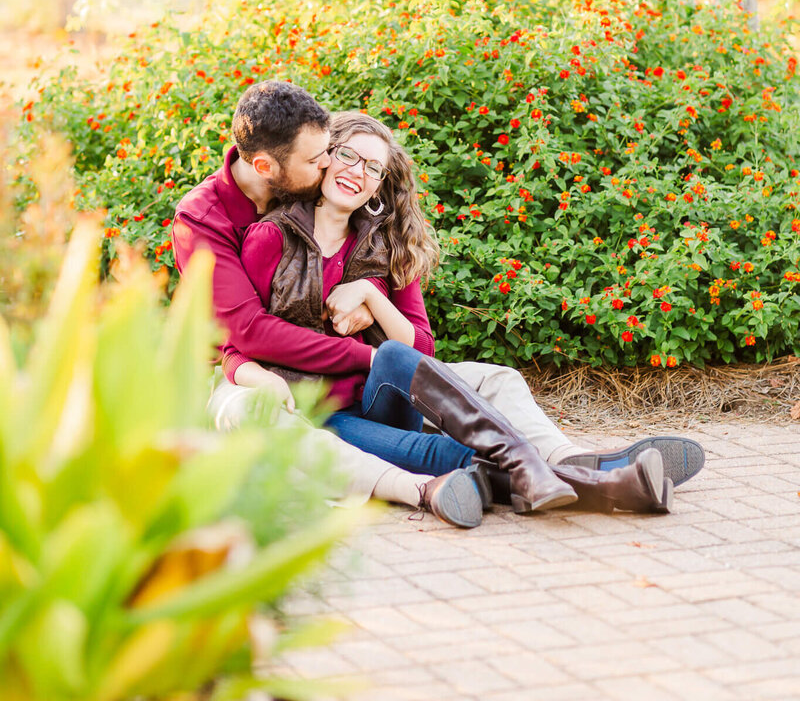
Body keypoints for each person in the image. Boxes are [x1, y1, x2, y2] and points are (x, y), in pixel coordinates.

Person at [220, 108, 704, 515]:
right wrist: (245, 368)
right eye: (348, 155)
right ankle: (609, 485)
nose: (357, 173)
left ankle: (555, 463)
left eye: (373, 168)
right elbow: (243, 336)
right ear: (324, 160)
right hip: (322, 409)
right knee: (435, 453)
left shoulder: (383, 245)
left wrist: (371, 295)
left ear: (378, 188)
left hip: (380, 396)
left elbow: (420, 352)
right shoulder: (271, 237)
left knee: (394, 356)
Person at [173, 80, 485, 528]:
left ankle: (567, 467)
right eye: (321, 158)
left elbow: (409, 331)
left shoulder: (325, 195)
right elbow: (244, 333)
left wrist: (370, 299)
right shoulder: (206, 220)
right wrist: (368, 356)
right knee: (256, 411)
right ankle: (422, 487)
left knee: (492, 381)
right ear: (265, 167)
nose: (331, 164)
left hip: (351, 381)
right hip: (247, 372)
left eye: (331, 152)